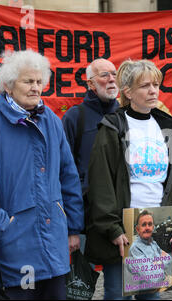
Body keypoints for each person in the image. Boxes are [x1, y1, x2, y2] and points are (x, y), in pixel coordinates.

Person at [0, 50, 84, 300]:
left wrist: (72, 227)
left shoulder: (51, 119)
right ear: (8, 85)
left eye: (39, 82)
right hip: (16, 251)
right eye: (28, 81)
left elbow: (68, 175)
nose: (36, 88)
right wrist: (4, 229)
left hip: (54, 245)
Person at [84, 59, 172, 300]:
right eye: (145, 86)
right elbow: (101, 183)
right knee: (117, 295)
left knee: (151, 298)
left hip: (157, 225)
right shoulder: (112, 127)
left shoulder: (169, 128)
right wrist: (112, 228)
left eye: (155, 84)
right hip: (122, 227)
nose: (153, 90)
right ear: (128, 92)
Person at [62, 58, 120, 256]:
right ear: (90, 83)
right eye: (105, 75)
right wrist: (72, 227)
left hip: (117, 218)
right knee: (80, 285)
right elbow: (63, 172)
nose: (112, 79)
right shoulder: (74, 117)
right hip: (84, 216)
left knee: (115, 286)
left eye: (114, 74)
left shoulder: (126, 115)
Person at [124, 210, 172, 295]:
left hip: (156, 289)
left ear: (153, 227)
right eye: (144, 225)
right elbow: (152, 279)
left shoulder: (153, 243)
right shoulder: (135, 248)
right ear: (137, 229)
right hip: (147, 291)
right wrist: (160, 262)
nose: (147, 228)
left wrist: (155, 264)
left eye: (150, 224)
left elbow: (169, 258)